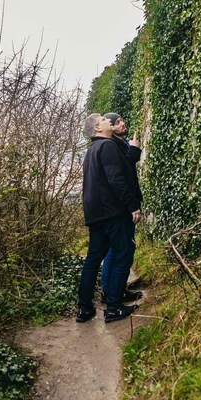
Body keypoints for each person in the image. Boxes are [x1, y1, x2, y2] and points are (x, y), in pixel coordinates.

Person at [76, 113, 141, 323]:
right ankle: (113, 307)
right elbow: (117, 179)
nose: (108, 121)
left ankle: (84, 309)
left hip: (95, 214)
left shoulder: (91, 150)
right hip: (112, 212)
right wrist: (132, 206)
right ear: (98, 129)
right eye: (104, 120)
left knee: (93, 260)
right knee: (123, 253)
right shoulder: (107, 146)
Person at [99, 112, 143, 304]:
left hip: (123, 204)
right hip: (121, 206)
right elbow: (120, 174)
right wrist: (134, 151)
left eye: (122, 120)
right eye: (117, 122)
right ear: (110, 127)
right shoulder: (112, 145)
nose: (122, 123)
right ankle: (111, 292)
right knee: (119, 250)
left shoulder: (119, 144)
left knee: (118, 249)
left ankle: (113, 289)